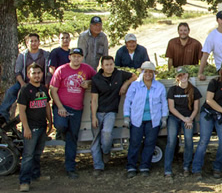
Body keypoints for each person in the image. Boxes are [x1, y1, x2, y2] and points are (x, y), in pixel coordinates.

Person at [49, 48, 96, 179]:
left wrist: (89, 82)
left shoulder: (86, 69)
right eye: (73, 56)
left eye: (78, 56)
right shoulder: (61, 70)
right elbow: (53, 90)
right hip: (62, 107)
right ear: (69, 57)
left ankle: (70, 168)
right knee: (61, 126)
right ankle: (60, 133)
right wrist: (60, 107)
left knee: (72, 138)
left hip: (77, 109)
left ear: (82, 58)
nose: (76, 59)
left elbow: (97, 78)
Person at [192, 60, 222, 180]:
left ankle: (217, 167)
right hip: (208, 113)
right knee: (204, 140)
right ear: (220, 71)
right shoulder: (215, 82)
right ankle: (197, 169)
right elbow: (209, 100)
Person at [90, 55, 136, 176]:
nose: (109, 67)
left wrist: (125, 84)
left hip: (111, 111)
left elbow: (134, 76)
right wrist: (94, 116)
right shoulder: (96, 79)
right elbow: (94, 100)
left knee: (106, 133)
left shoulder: (119, 74)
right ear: (102, 66)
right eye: (107, 65)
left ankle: (106, 151)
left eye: (111, 64)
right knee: (95, 140)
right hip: (98, 111)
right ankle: (98, 167)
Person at [123, 61, 168, 178]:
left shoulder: (159, 87)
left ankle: (145, 166)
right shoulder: (135, 85)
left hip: (153, 120)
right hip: (137, 119)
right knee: (135, 143)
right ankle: (131, 166)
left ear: (153, 74)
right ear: (142, 72)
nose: (148, 74)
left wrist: (164, 117)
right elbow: (128, 101)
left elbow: (164, 103)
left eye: (150, 72)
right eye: (145, 71)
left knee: (150, 143)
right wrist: (126, 117)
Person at [17, 63, 52, 192]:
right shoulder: (25, 90)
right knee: (28, 155)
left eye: (39, 73)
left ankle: (36, 175)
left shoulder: (43, 88)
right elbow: (21, 111)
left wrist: (50, 122)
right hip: (31, 128)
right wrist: (25, 128)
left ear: (42, 74)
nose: (37, 75)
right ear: (28, 75)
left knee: (37, 154)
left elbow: (47, 105)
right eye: (34, 73)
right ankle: (24, 181)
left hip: (42, 126)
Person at [0, 33, 49, 124]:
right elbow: (17, 72)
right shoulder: (22, 56)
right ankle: (3, 115)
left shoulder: (45, 55)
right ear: (27, 43)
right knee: (11, 91)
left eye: (35, 41)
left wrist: (46, 84)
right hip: (25, 82)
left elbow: (48, 71)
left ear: (39, 42)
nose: (33, 43)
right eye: (31, 41)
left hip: (39, 83)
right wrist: (23, 84)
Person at [164, 66, 201, 179]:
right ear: (177, 77)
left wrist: (189, 119)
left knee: (189, 140)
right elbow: (172, 108)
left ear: (188, 75)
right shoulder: (173, 90)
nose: (183, 77)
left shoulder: (194, 90)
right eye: (180, 75)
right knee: (171, 141)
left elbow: (196, 109)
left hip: (189, 118)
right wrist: (183, 118)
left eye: (184, 74)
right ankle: (167, 170)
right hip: (175, 117)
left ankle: (186, 167)